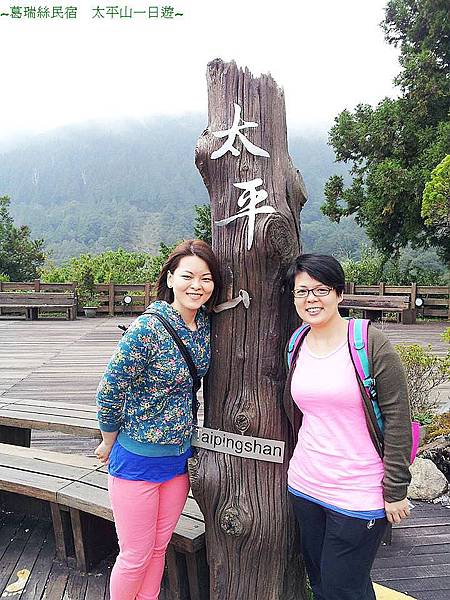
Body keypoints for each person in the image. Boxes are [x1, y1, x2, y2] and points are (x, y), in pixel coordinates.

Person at [95, 240, 221, 600]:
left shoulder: (205, 327)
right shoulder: (146, 329)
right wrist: (108, 439)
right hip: (136, 460)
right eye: (188, 276)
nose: (197, 285)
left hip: (178, 460)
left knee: (158, 549)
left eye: (206, 278)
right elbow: (110, 388)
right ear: (170, 277)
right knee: (134, 555)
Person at [283, 254, 412, 600]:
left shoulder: (370, 343)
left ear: (339, 294)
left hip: (358, 491)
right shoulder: (296, 344)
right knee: (322, 584)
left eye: (321, 290)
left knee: (345, 588)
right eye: (302, 292)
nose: (311, 299)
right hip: (306, 485)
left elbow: (398, 417)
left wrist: (395, 489)